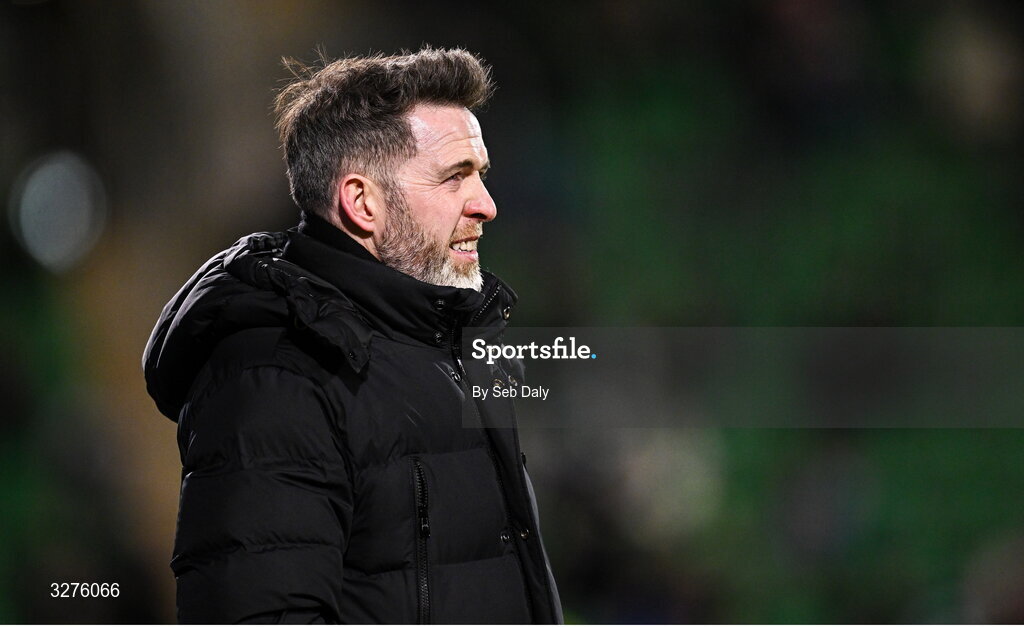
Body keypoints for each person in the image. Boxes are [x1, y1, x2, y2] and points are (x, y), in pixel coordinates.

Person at [142, 47, 562, 624]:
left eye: (480, 175)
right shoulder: (277, 374)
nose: (486, 205)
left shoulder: (456, 349)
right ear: (362, 202)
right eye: (454, 177)